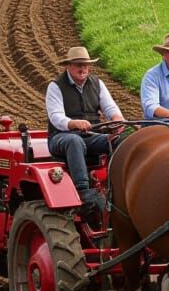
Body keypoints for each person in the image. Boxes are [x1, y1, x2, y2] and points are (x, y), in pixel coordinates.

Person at [46, 46, 125, 213]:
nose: (83, 69)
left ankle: (119, 183)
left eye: (86, 65)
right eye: (78, 65)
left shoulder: (97, 84)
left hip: (92, 135)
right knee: (74, 141)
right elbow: (56, 117)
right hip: (61, 137)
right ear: (69, 66)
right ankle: (84, 191)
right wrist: (73, 123)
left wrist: (117, 118)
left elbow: (110, 107)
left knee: (120, 140)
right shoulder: (55, 86)